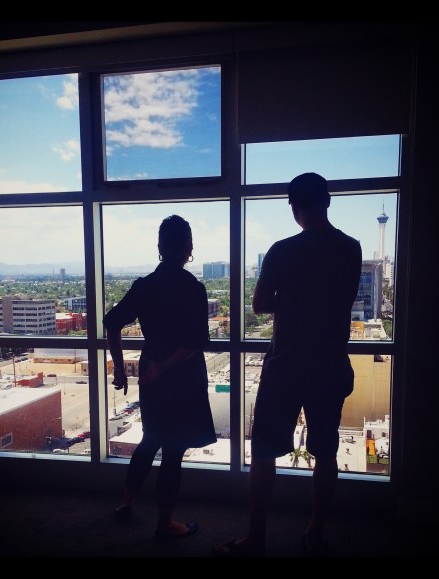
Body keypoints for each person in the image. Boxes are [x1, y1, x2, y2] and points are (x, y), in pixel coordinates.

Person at [214, 172, 362, 557]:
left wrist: (292, 300)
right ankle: (315, 532)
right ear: (327, 201)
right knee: (326, 452)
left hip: (286, 365)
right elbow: (343, 300)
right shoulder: (351, 249)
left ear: (295, 207)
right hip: (329, 364)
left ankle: (256, 538)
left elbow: (260, 303)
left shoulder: (282, 250)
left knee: (264, 451)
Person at [103, 214, 217, 541]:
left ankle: (126, 502)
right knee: (173, 451)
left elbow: (111, 323)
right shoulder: (193, 289)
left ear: (160, 246)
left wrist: (120, 368)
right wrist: (164, 367)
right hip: (183, 379)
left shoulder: (145, 286)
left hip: (151, 378)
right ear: (189, 248)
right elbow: (195, 342)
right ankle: (164, 524)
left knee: (150, 439)